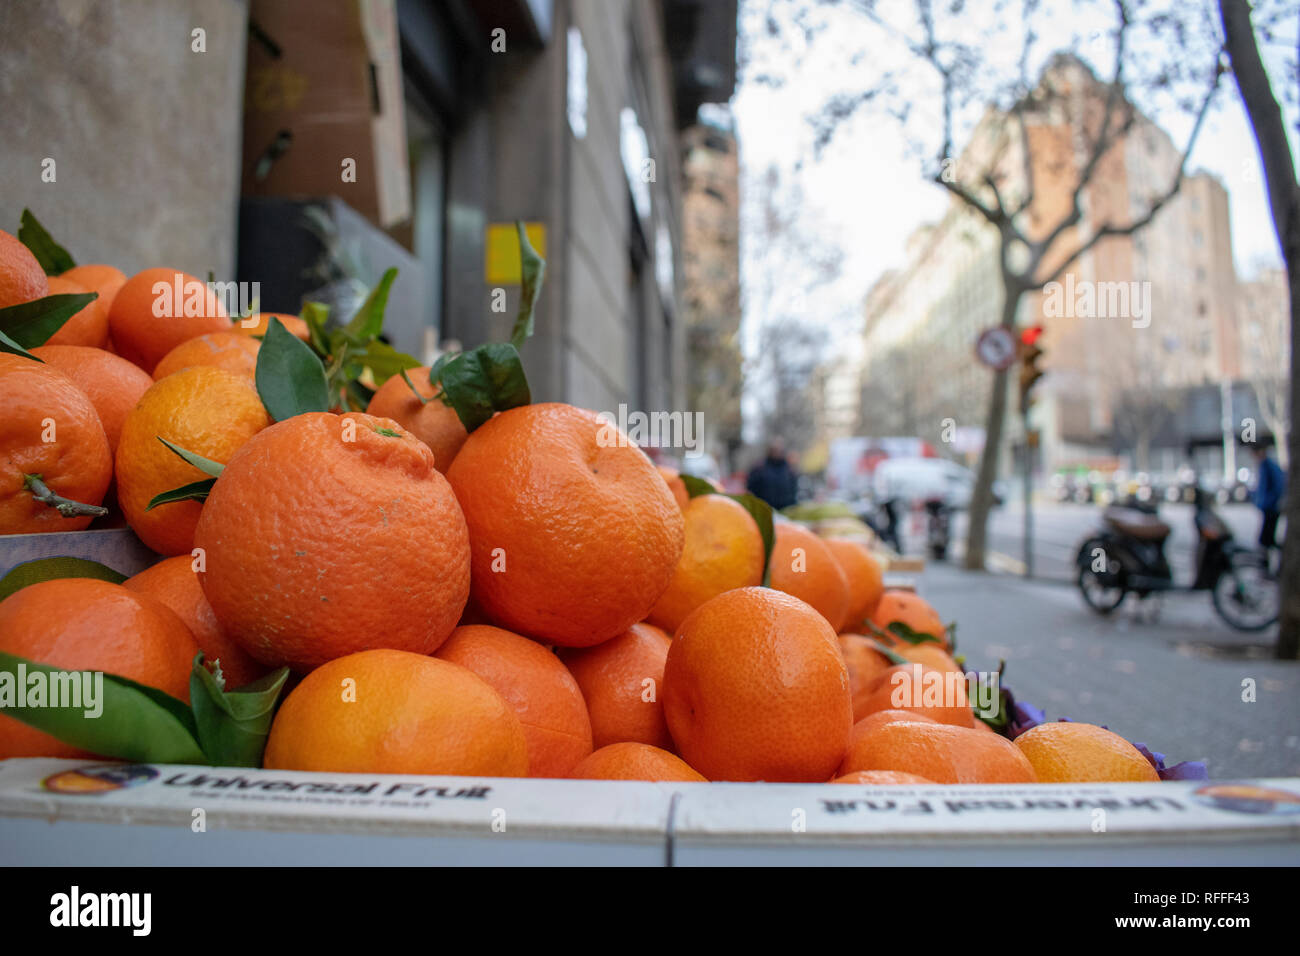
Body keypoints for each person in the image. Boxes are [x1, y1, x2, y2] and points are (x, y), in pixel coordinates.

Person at [1251, 444, 1286, 557]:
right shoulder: (1264, 466)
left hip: (1271, 507)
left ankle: (1269, 561)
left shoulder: (1269, 466)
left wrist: (1270, 501)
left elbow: (1278, 486)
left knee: (1266, 538)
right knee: (1266, 538)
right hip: (1267, 506)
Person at [746, 439, 799, 511]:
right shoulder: (759, 468)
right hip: (766, 510)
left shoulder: (789, 469)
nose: (777, 452)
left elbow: (794, 489)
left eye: (779, 450)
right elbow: (751, 487)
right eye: (774, 450)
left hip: (786, 510)